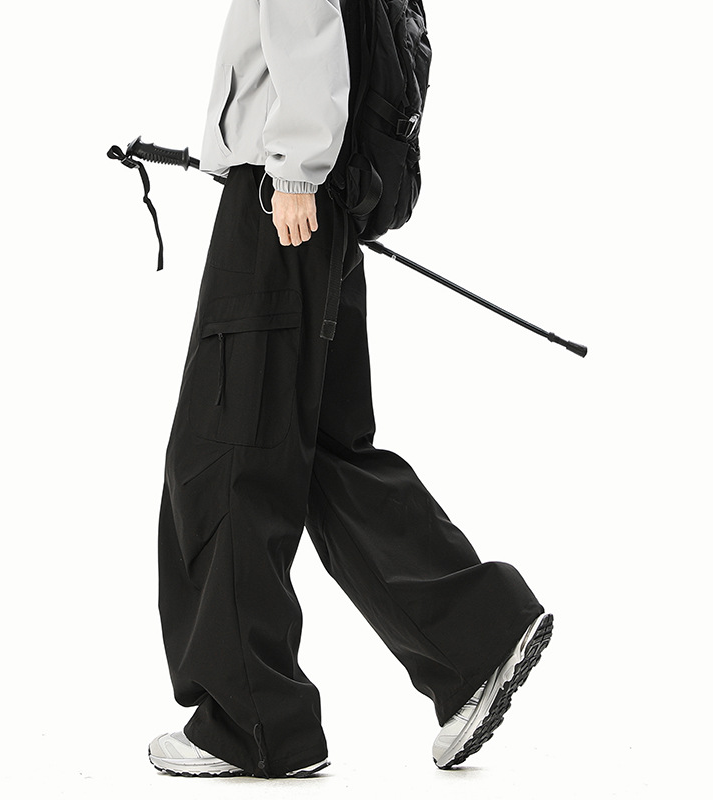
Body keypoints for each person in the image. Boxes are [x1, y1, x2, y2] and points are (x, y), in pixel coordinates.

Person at [148, 0, 552, 779]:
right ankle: (476, 642)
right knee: (327, 454)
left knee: (228, 455)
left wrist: (293, 166)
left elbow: (305, 22)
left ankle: (250, 721)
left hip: (281, 204)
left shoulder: (289, 177)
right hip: (320, 209)